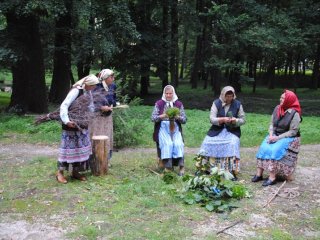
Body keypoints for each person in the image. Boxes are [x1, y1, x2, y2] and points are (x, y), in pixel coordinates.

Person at [252, 89, 302, 187]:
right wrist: (271, 135)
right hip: (275, 134)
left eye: (283, 98)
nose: (281, 99)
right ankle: (259, 174)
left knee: (275, 149)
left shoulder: (295, 114)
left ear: (289, 100)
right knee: (263, 147)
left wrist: (278, 138)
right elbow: (272, 124)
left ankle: (272, 177)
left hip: (288, 137)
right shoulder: (277, 108)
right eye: (281, 97)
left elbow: (293, 131)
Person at [56, 74, 100, 184]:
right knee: (67, 149)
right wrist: (66, 121)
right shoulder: (76, 91)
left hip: (81, 125)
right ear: (87, 84)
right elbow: (64, 105)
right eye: (93, 85)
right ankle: (60, 173)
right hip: (71, 124)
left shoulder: (88, 92)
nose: (94, 88)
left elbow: (91, 106)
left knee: (79, 149)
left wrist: (89, 116)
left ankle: (75, 172)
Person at [199, 86, 246, 180]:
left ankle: (231, 171)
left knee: (232, 144)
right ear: (223, 95)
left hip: (232, 131)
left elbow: (243, 119)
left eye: (231, 96)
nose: (229, 98)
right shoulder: (216, 103)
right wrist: (222, 119)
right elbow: (212, 119)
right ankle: (206, 168)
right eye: (227, 96)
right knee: (207, 142)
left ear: (233, 95)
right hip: (217, 130)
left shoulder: (237, 104)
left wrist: (235, 120)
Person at [151, 85, 187, 175]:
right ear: (164, 94)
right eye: (166, 93)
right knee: (168, 144)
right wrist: (162, 116)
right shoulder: (159, 103)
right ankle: (168, 167)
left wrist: (177, 117)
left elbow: (184, 120)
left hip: (175, 128)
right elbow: (153, 118)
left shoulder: (178, 104)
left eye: (170, 93)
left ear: (173, 93)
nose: (168, 95)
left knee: (178, 144)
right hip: (163, 128)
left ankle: (181, 167)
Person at [89, 69, 117, 167]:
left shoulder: (113, 86)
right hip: (97, 118)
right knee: (97, 137)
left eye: (113, 77)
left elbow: (113, 99)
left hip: (108, 118)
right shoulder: (96, 86)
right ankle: (95, 160)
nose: (113, 79)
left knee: (107, 137)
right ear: (105, 78)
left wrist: (113, 105)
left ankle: (106, 160)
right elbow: (91, 101)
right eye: (111, 77)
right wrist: (101, 107)